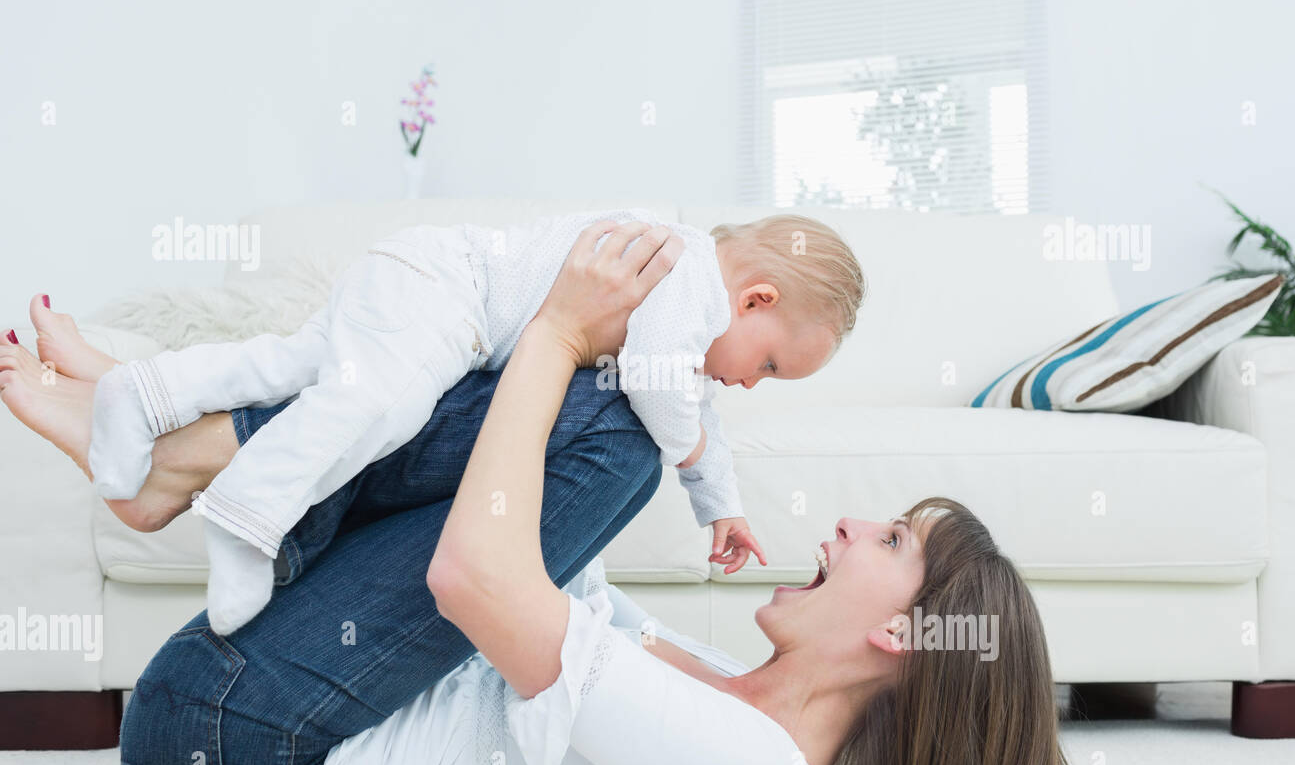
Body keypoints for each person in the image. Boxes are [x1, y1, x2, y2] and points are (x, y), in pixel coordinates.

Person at [0, 221, 1082, 765]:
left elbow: (477, 579)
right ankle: (175, 434)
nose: (848, 526)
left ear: (904, 629)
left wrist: (565, 329)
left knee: (621, 428)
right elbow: (523, 543)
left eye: (889, 540)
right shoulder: (720, 683)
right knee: (607, 411)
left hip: (238, 749)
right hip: (282, 705)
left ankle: (183, 444)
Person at [84, 208, 864, 634]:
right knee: (376, 407)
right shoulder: (685, 276)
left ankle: (142, 394)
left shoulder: (696, 302)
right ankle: (247, 517)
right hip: (445, 295)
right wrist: (687, 444)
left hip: (418, 274)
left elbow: (698, 409)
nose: (755, 384)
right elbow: (666, 392)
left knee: (293, 363)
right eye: (769, 365)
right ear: (756, 298)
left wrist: (718, 504)